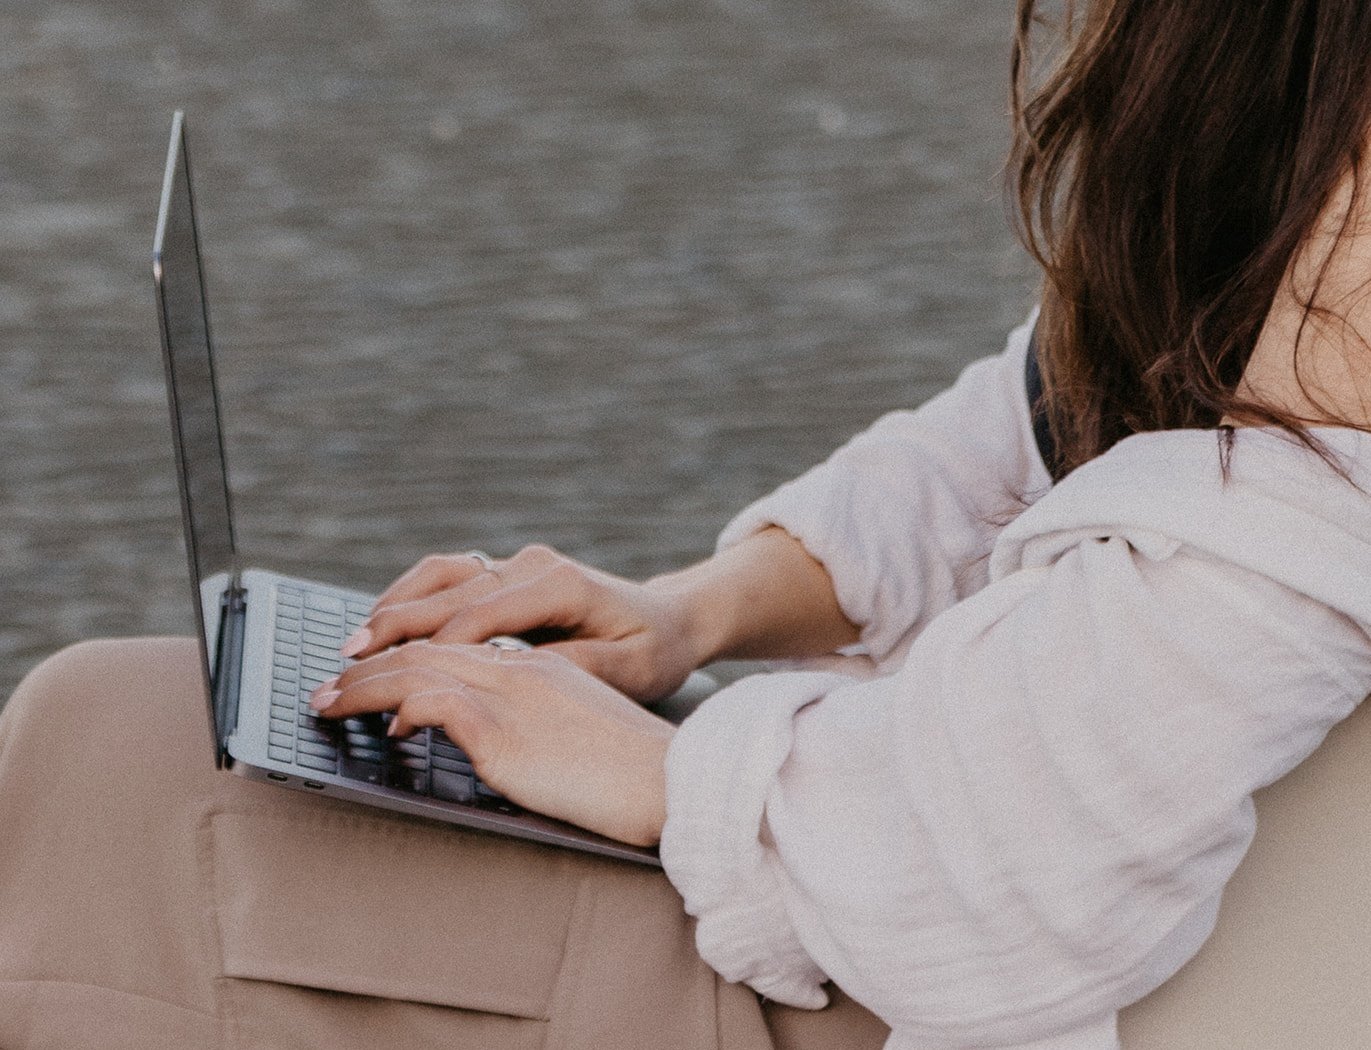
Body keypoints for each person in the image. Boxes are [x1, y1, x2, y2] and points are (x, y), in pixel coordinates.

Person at [4, 2, 1371, 1047]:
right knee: (95, 728)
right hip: (845, 853)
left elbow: (997, 887)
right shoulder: (1283, 218)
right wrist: (686, 611)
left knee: (107, 815)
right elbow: (1023, 426)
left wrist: (655, 773)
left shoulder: (1335, 398)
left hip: (886, 979)